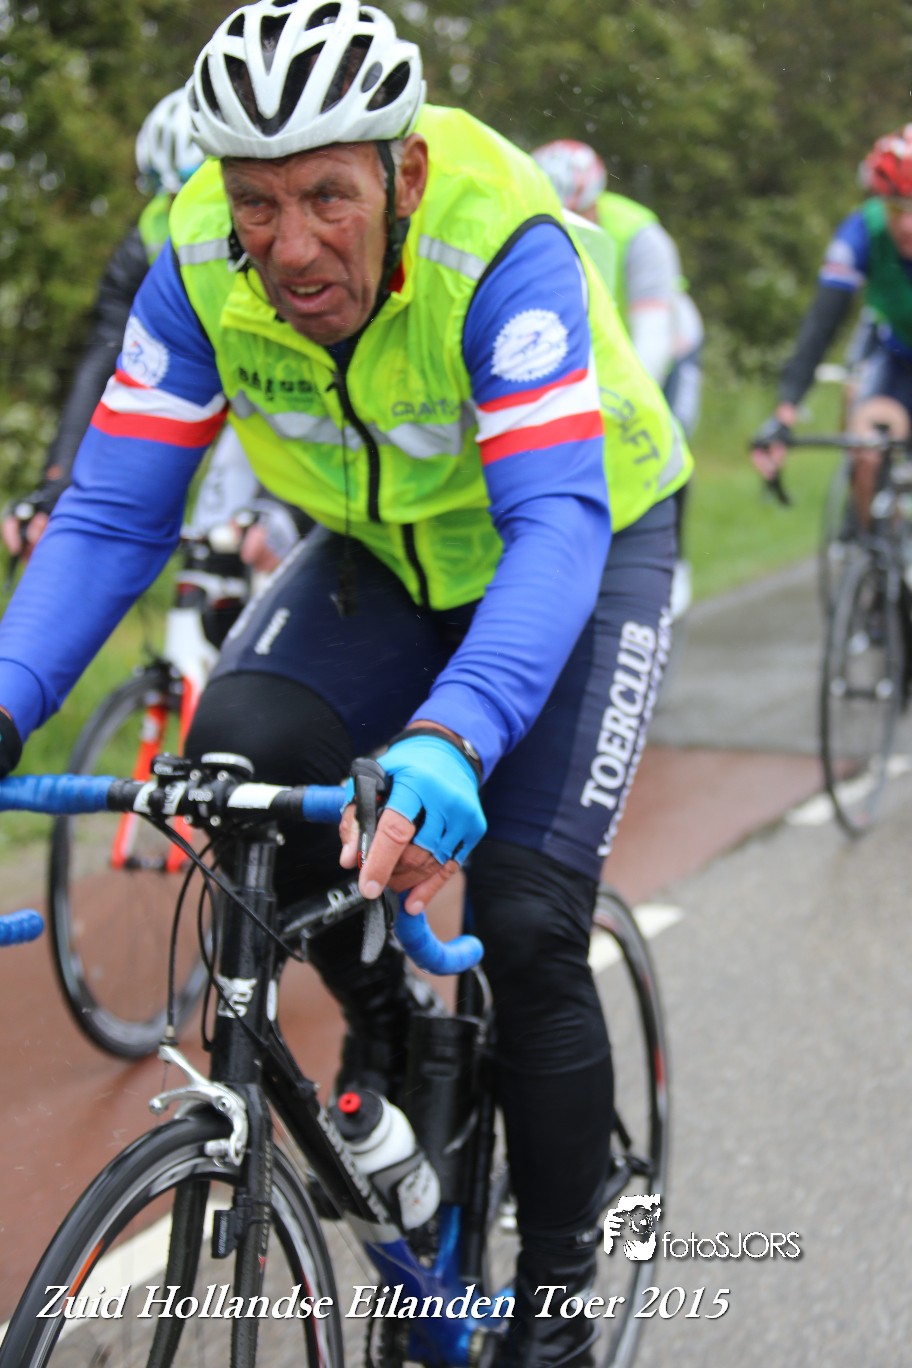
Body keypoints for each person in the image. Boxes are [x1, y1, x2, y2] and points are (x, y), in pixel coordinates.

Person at [0, 3, 691, 1362]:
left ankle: (556, 1306)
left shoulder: (497, 234)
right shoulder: (196, 257)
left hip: (580, 540)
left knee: (527, 921)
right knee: (240, 751)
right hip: (385, 553)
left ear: (402, 171)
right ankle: (394, 1028)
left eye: (328, 194)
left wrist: (456, 735)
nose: (292, 242)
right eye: (258, 201)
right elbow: (114, 514)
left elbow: (554, 521)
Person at [1, 87, 306, 577]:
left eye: (196, 189)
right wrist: (58, 483)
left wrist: (282, 505)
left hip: (273, 384)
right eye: (168, 197)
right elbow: (104, 363)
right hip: (202, 379)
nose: (184, 213)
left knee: (242, 514)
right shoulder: (147, 239)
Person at [532, 138, 703, 621]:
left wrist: (613, 408)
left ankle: (672, 556)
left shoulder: (641, 237)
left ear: (596, 202)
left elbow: (651, 343)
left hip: (668, 345)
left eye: (579, 213)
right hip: (599, 344)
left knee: (662, 436)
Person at [750, 125, 912, 522]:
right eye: (896, 209)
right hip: (896, 355)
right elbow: (821, 323)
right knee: (867, 444)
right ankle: (864, 535)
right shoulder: (864, 230)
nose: (907, 225)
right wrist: (786, 410)